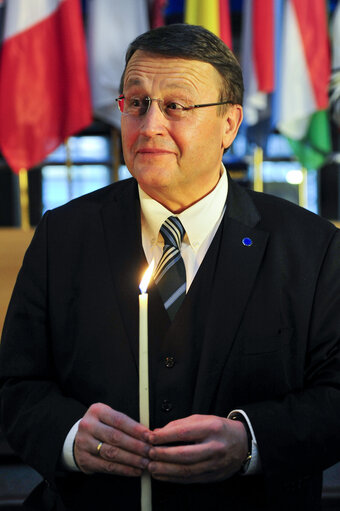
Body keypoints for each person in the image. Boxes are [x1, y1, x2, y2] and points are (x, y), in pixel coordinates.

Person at [1, 23, 340, 511]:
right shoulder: (63, 235)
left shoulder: (312, 248)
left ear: (230, 124)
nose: (150, 124)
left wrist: (252, 441)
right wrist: (70, 437)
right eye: (136, 103)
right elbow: (17, 384)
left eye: (176, 106)